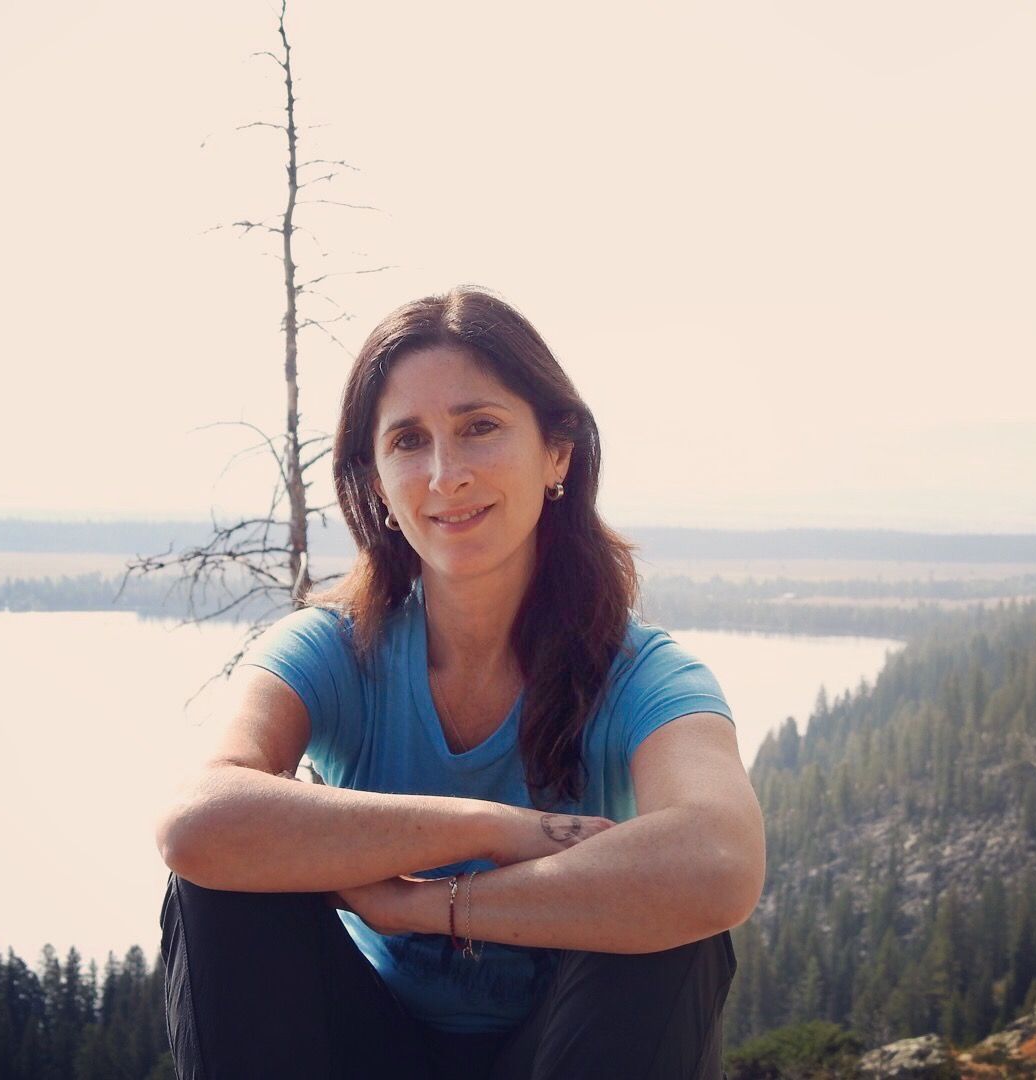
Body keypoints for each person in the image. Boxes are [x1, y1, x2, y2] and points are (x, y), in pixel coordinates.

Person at [155, 286, 766, 1079]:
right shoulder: (333, 648)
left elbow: (720, 857)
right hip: (367, 1048)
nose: (446, 475)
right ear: (377, 482)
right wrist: (491, 828)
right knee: (216, 883)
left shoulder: (645, 675)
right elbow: (196, 820)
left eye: (480, 427)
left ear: (557, 452)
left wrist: (427, 905)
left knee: (673, 921)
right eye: (409, 440)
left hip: (567, 1050)